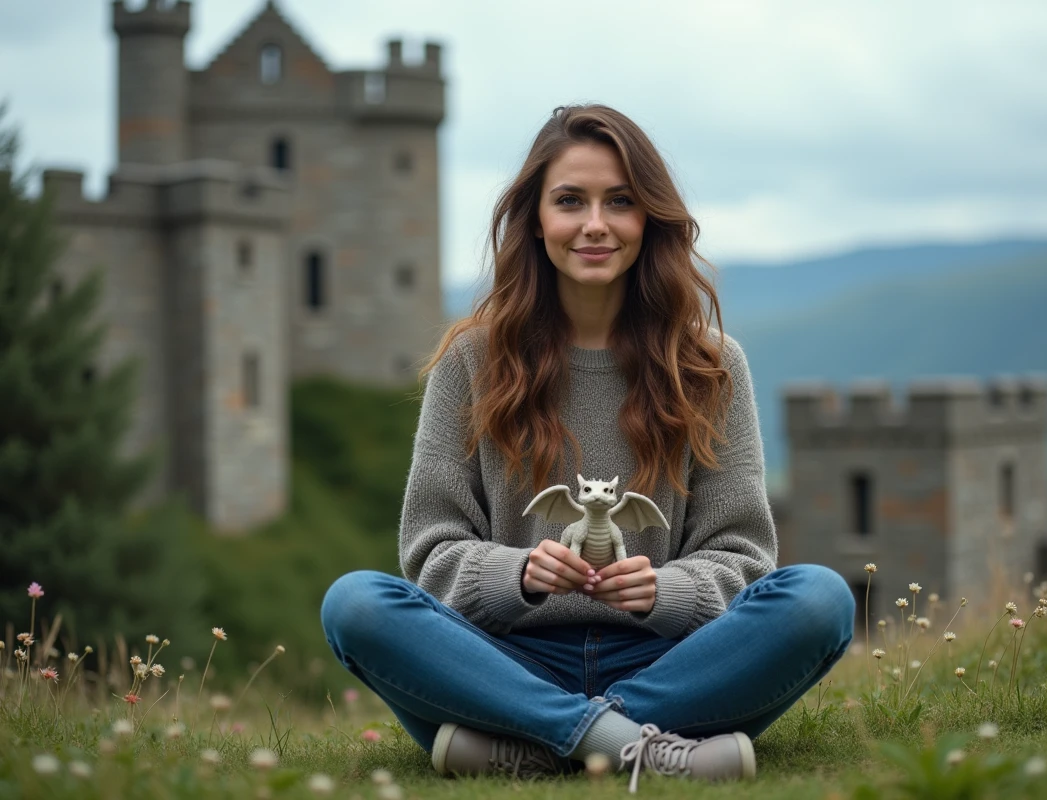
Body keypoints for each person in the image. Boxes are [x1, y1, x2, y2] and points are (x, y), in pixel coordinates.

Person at [321, 104, 855, 790]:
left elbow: (743, 557)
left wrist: (664, 588)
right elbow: (431, 551)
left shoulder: (712, 367)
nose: (595, 224)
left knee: (820, 599)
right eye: (570, 201)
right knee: (356, 604)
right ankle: (640, 748)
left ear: (648, 221)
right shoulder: (470, 363)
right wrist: (517, 575)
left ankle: (542, 744)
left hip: (672, 662)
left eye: (621, 202)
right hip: (505, 663)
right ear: (537, 220)